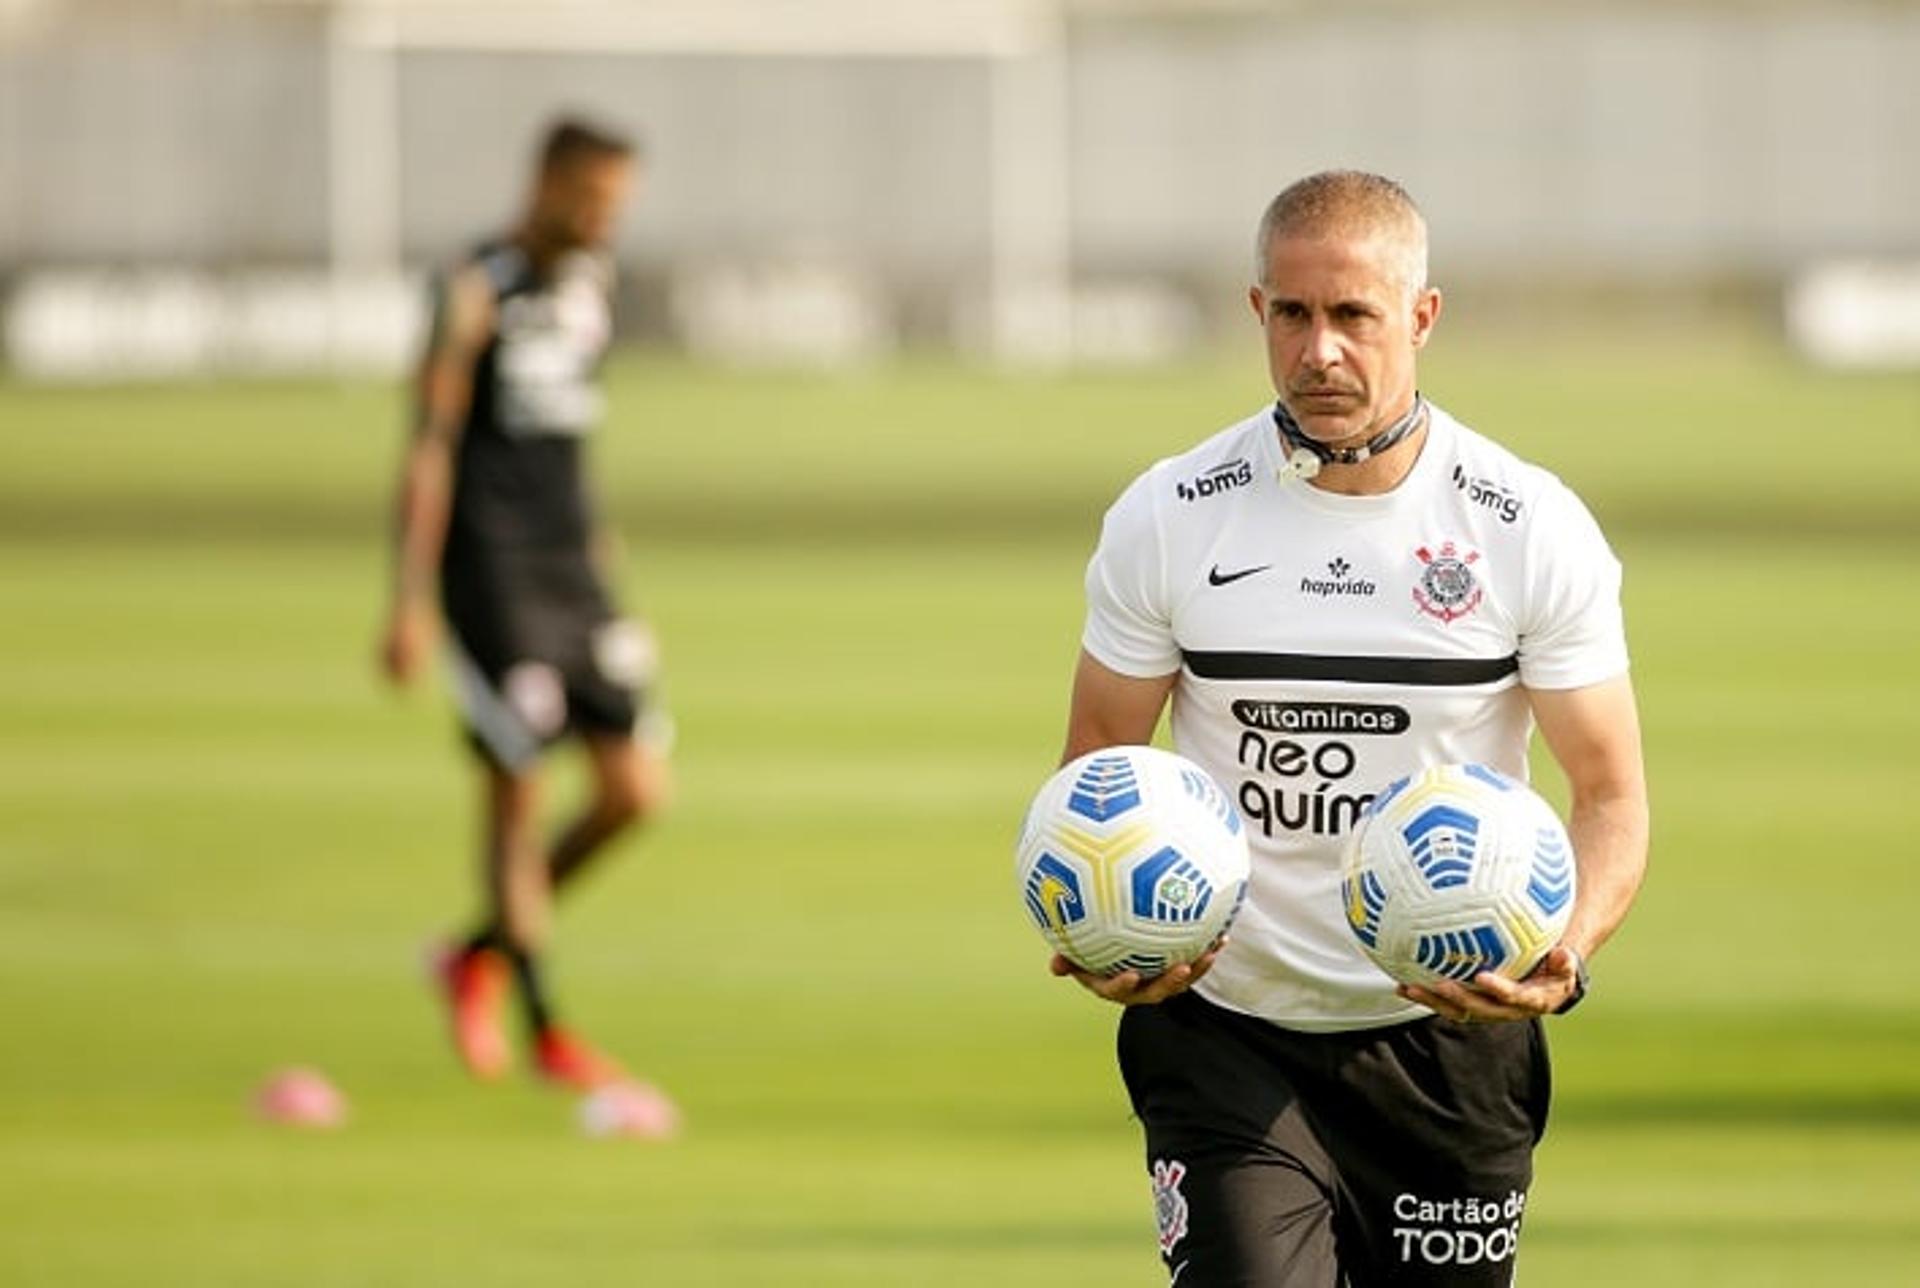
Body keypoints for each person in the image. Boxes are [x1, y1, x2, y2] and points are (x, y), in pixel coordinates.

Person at [1053, 171, 1649, 1285]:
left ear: (1420, 317)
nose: (1320, 349)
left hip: (1451, 1044)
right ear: (1258, 312)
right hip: (1228, 1030)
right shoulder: (1172, 515)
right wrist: (1107, 929)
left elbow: (1610, 790)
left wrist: (1564, 956)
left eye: (1353, 315)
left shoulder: (1527, 526)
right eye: (1293, 313)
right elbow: (1100, 755)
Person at [377, 117, 671, 1093]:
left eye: (616, 207)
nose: (603, 221)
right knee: (519, 787)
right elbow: (428, 443)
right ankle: (545, 1027)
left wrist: (605, 572)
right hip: (488, 573)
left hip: (573, 574)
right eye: (591, 201)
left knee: (634, 789)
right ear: (545, 182)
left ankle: (476, 951)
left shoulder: (594, 288)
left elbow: (569, 446)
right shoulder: (471, 289)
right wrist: (409, 597)